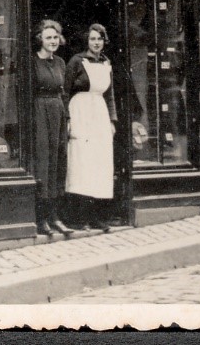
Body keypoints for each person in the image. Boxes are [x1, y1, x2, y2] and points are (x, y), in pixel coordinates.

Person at [65, 23, 118, 231]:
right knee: (81, 164)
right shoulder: (76, 62)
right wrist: (68, 119)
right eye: (93, 39)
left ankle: (97, 217)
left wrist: (112, 121)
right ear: (87, 41)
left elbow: (110, 95)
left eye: (100, 39)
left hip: (100, 115)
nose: (96, 43)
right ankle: (79, 218)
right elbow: (65, 91)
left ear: (105, 41)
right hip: (80, 112)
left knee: (100, 164)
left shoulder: (106, 63)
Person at [32, 19, 73, 237]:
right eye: (48, 37)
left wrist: (67, 118)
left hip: (57, 112)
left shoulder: (60, 63)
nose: (53, 41)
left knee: (58, 161)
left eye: (55, 37)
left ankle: (56, 216)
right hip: (40, 111)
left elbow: (64, 93)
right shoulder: (33, 62)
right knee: (43, 162)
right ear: (40, 39)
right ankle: (42, 218)